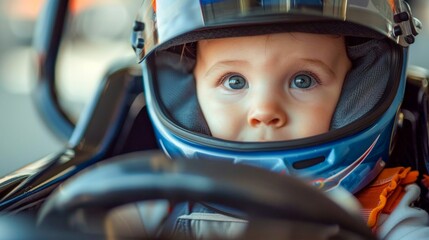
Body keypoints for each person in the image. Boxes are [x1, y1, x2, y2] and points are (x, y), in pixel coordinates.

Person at [126, 0, 427, 239]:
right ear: (189, 93)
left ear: (355, 91)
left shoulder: (384, 209)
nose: (264, 111)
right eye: (234, 81)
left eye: (302, 80)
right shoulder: (157, 203)